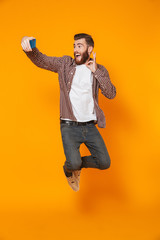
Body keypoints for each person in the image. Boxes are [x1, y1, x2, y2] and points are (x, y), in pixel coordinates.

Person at [21, 33, 116, 192]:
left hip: (90, 127)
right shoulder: (65, 64)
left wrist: (96, 71)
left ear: (90, 49)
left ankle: (76, 165)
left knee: (104, 162)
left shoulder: (99, 69)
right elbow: (43, 60)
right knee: (73, 163)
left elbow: (111, 94)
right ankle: (71, 168)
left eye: (80, 46)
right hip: (69, 127)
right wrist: (31, 49)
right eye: (74, 46)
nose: (75, 49)